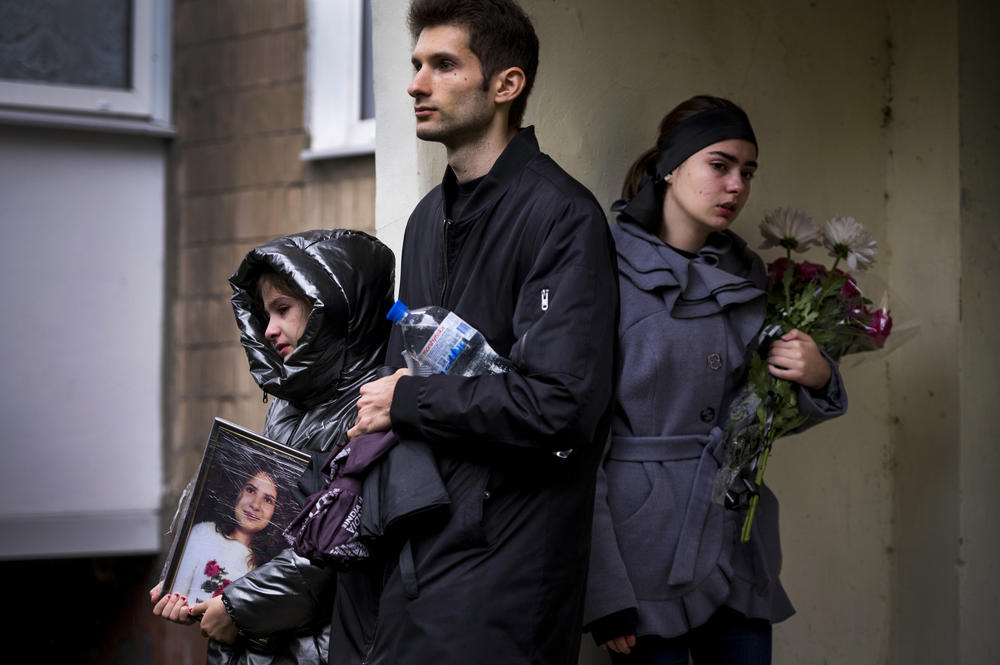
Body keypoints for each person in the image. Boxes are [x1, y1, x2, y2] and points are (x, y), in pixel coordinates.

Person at [337, 1, 619, 664]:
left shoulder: (563, 217)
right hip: (415, 548)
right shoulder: (425, 218)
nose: (415, 84)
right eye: (415, 65)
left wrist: (405, 400)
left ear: (505, 85)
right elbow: (405, 364)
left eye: (443, 65)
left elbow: (563, 406)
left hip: (508, 568)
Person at [584, 95, 849, 664]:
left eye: (747, 173)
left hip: (736, 541)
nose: (736, 187)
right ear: (671, 166)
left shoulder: (745, 273)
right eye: (719, 165)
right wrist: (602, 591)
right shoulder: (606, 266)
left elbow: (754, 415)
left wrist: (817, 375)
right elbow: (580, 442)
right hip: (644, 554)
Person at [151, 229, 395, 665]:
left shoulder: (378, 407)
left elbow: (334, 550)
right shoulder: (287, 404)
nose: (268, 330)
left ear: (331, 310)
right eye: (264, 314)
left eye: (282, 309)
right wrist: (193, 591)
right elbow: (273, 534)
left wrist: (236, 607)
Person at [170, 463, 286, 605]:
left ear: (276, 512)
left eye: (268, 500)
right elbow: (175, 596)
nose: (256, 505)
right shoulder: (203, 534)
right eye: (250, 490)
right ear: (237, 492)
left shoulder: (269, 567)